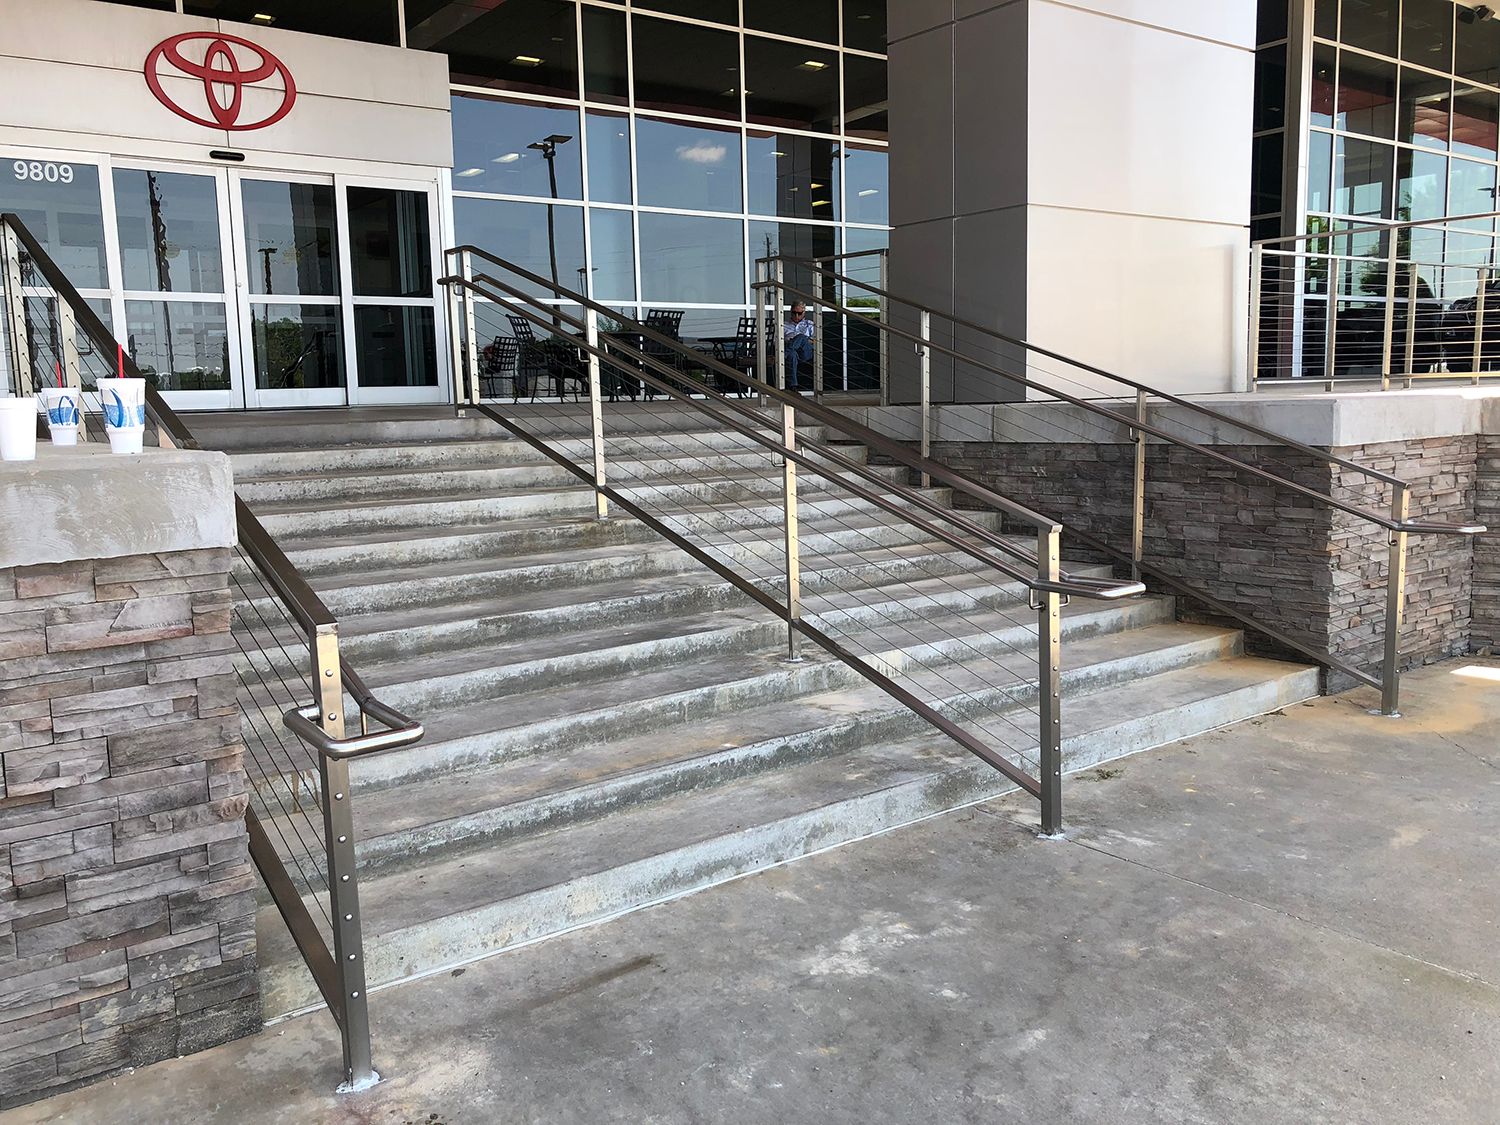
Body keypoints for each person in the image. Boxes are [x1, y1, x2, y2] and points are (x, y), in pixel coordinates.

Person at [783, 302, 815, 391]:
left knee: (801, 337)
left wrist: (800, 340)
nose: (796, 316)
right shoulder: (783, 325)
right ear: (791, 312)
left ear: (804, 313)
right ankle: (793, 386)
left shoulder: (810, 324)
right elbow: (776, 341)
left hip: (805, 352)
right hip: (793, 352)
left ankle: (784, 354)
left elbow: (815, 341)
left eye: (799, 313)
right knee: (792, 354)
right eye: (794, 313)